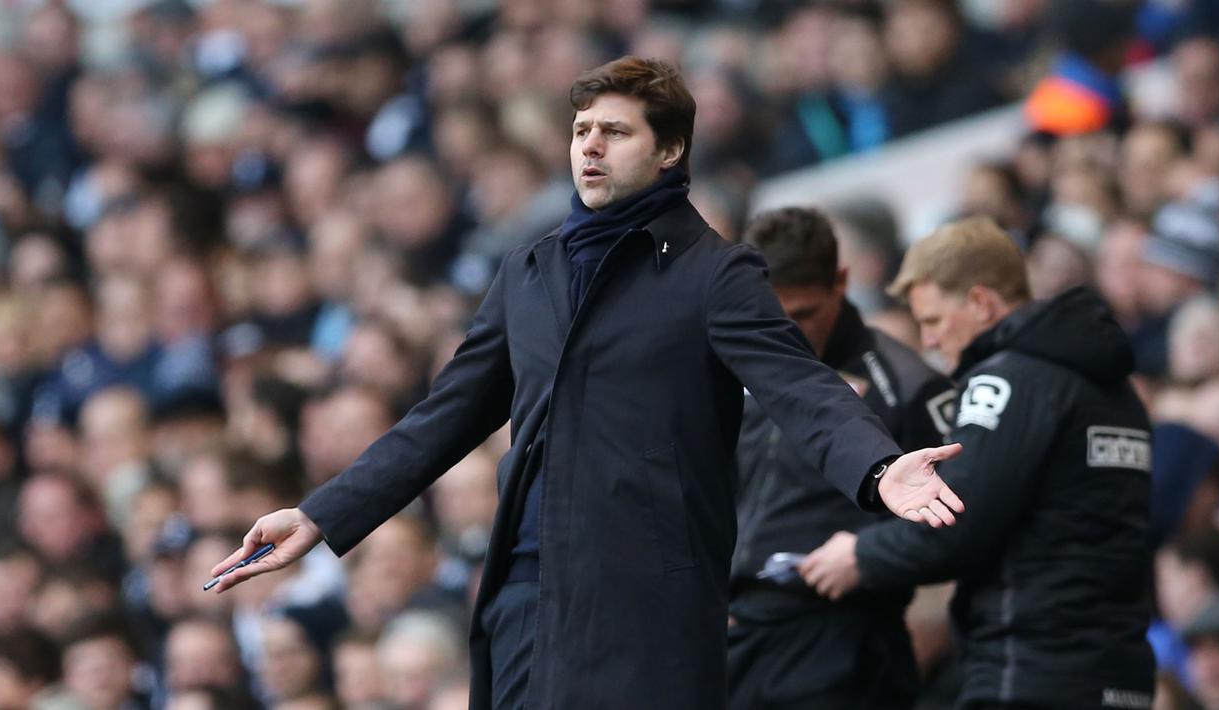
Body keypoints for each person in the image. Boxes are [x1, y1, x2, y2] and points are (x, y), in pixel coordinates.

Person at [211, 56, 965, 710]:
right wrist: (319, 516)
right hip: (524, 598)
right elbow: (443, 417)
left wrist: (876, 469)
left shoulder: (714, 274)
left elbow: (800, 387)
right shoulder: (528, 269)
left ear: (669, 149)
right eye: (580, 132)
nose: (590, 148)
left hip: (645, 604)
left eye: (615, 132)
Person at [801, 217, 1155, 709]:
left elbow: (953, 520)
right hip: (1119, 669)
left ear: (981, 303)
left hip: (1032, 669)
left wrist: (860, 556)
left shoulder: (1005, 381)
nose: (927, 342)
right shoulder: (1113, 391)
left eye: (933, 321)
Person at [729, 206, 955, 709]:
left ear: (841, 282)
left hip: (845, 642)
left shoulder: (906, 385)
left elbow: (956, 520)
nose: (789, 332)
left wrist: (865, 555)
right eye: (774, 316)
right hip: (737, 639)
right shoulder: (730, 371)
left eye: (804, 314)